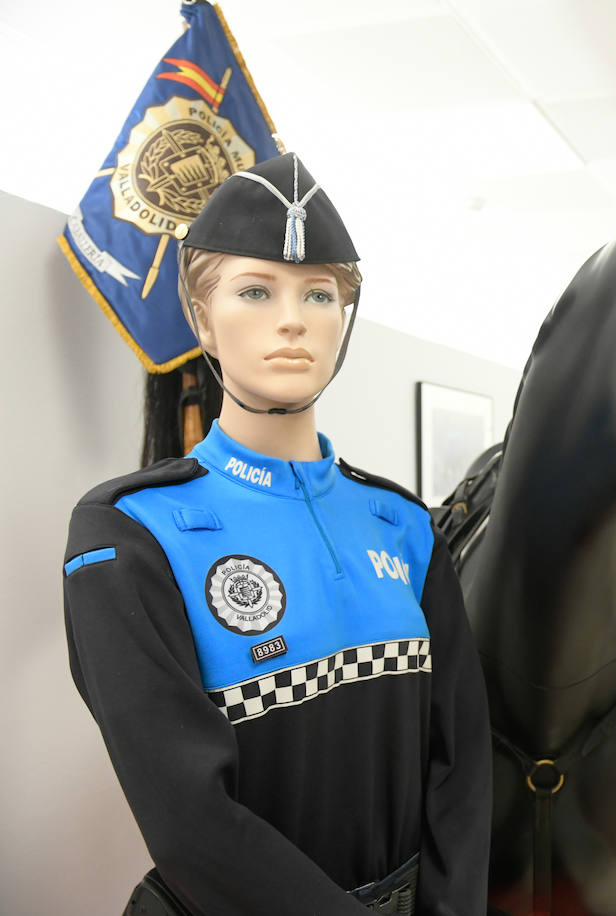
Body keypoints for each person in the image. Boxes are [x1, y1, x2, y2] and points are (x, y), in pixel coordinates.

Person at [62, 154, 492, 914]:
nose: (292, 318)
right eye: (255, 290)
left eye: (318, 293)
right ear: (202, 319)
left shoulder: (402, 525)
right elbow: (191, 819)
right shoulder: (131, 533)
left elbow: (459, 764)